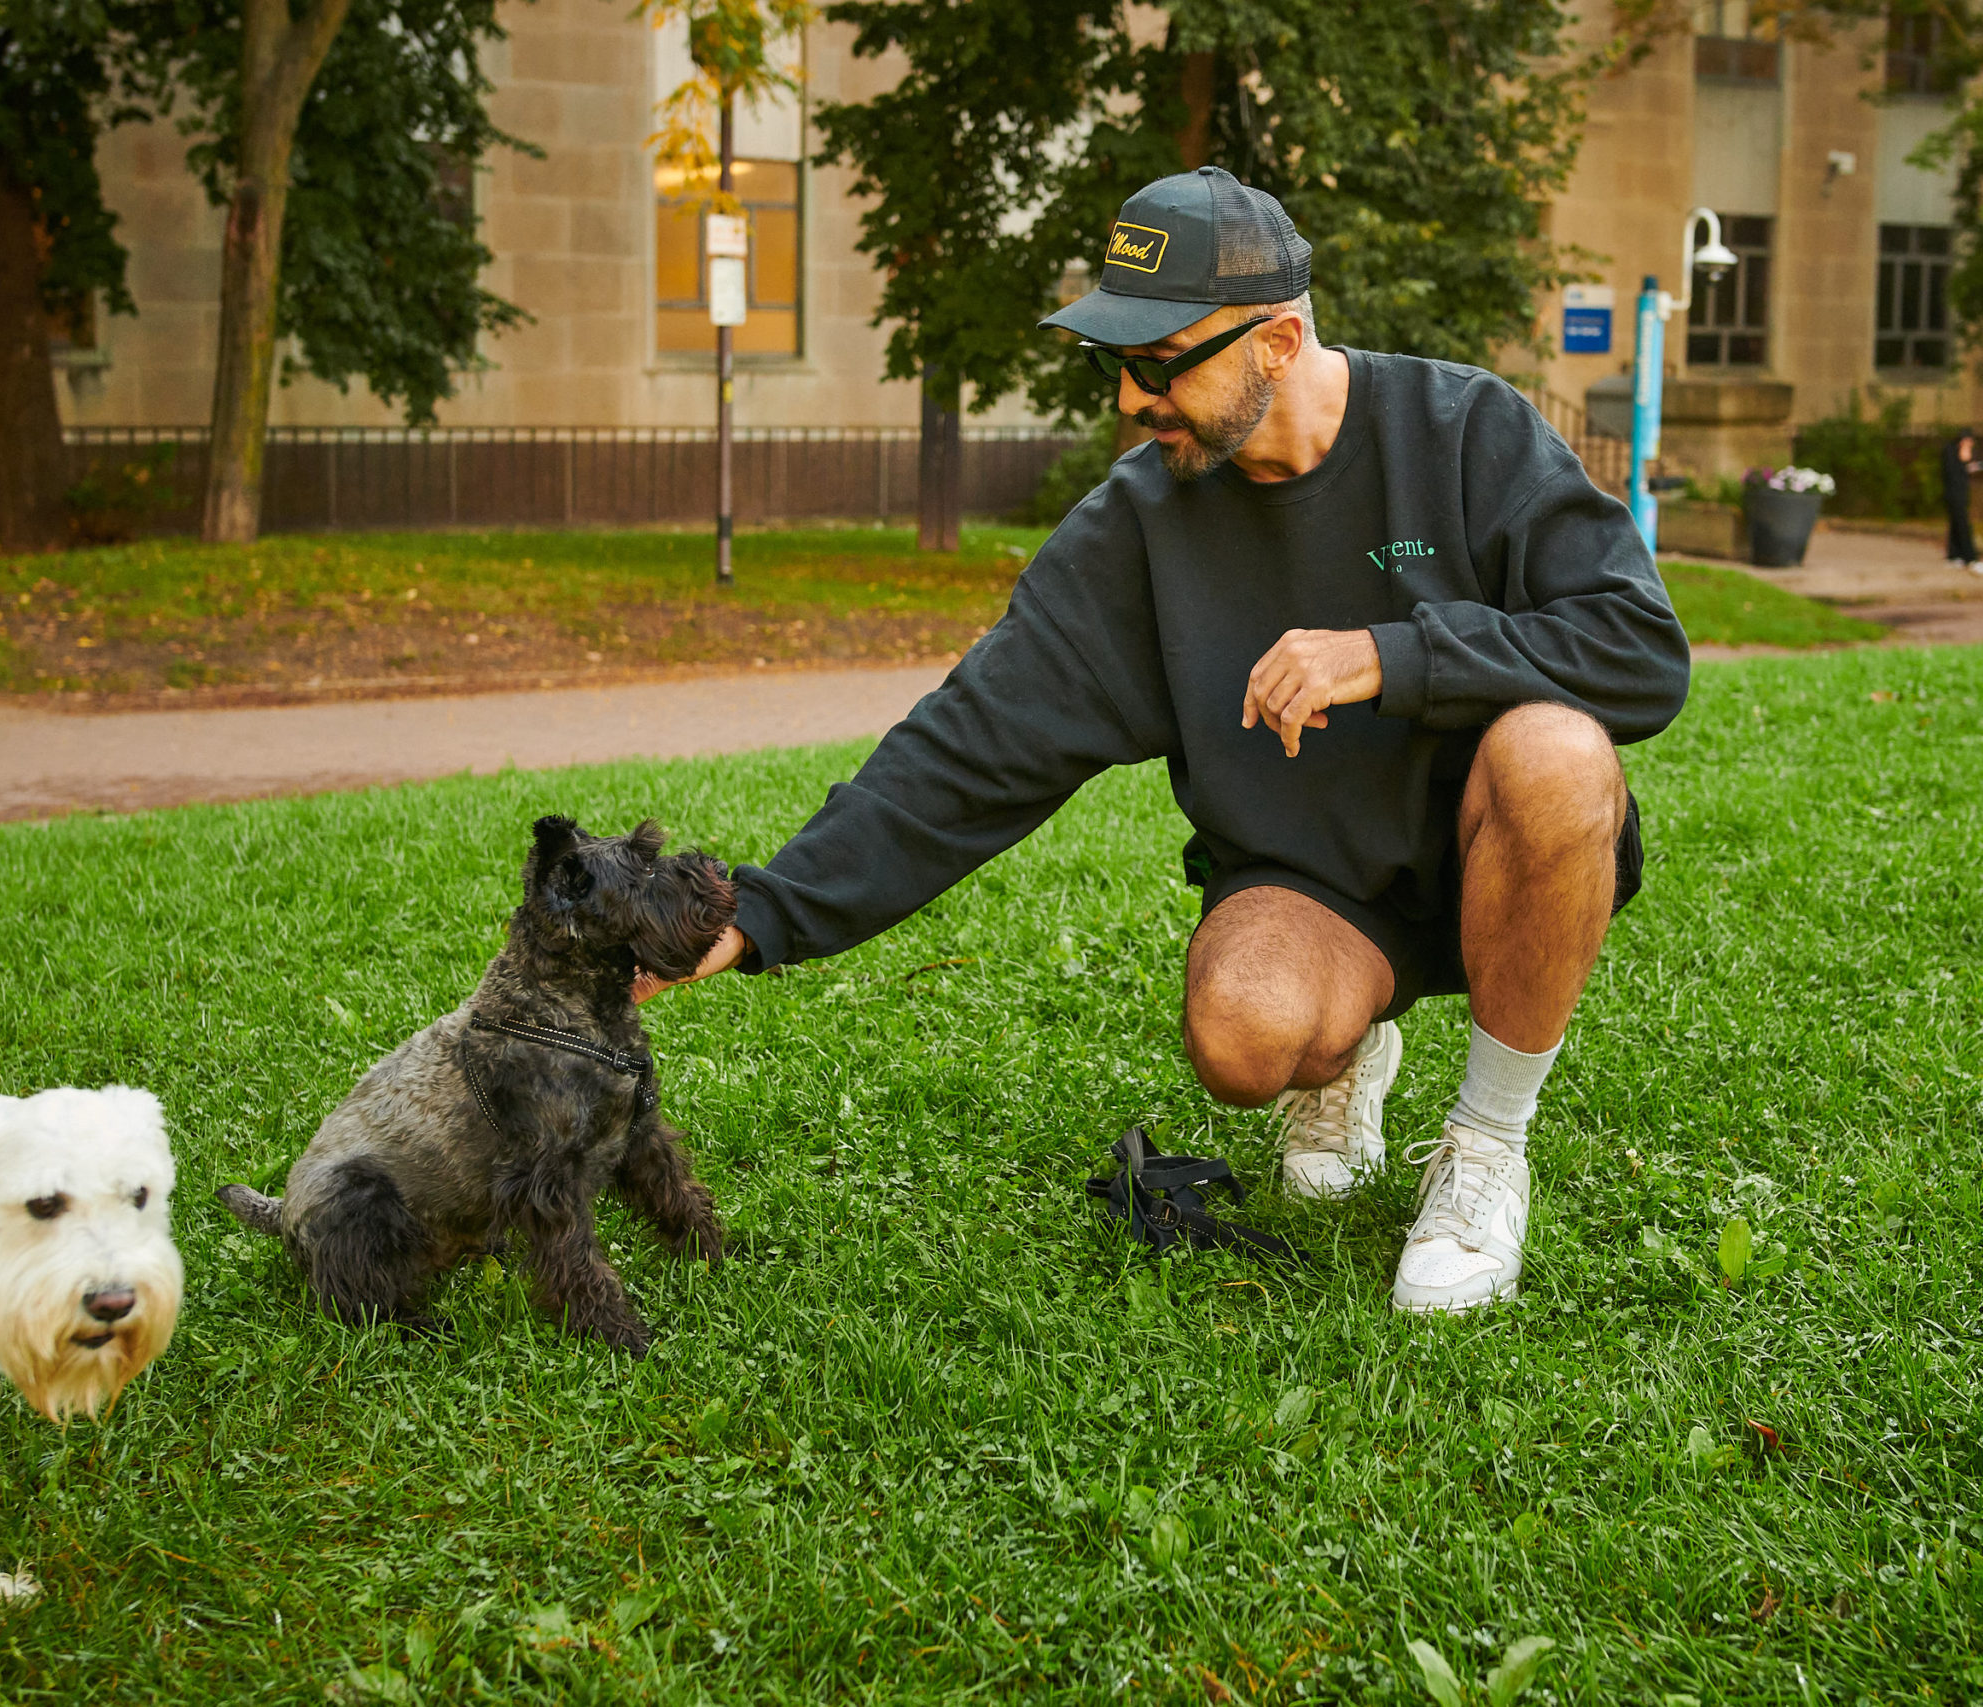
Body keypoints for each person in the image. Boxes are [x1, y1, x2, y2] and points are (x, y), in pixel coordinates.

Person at [644, 168, 1692, 1314]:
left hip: (1497, 846)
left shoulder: (1463, 431)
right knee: (1241, 1036)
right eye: (1116, 364)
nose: (1134, 399)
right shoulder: (1136, 531)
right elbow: (970, 748)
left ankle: (1487, 1145)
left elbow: (1638, 649)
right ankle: (1344, 1060)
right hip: (1315, 887)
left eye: (1161, 363)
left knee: (1557, 751)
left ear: (1279, 341)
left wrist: (1391, 657)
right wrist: (765, 912)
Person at [1942, 430, 1983, 574]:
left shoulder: (1965, 452)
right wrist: (1963, 461)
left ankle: (1954, 555)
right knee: (1962, 524)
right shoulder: (1951, 451)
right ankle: (1970, 557)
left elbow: (1979, 464)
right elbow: (1952, 472)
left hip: (1961, 494)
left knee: (1956, 524)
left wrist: (1968, 464)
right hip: (1954, 495)